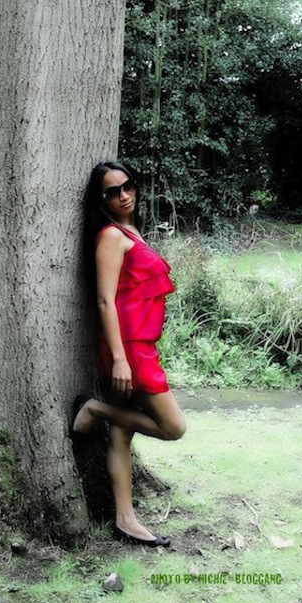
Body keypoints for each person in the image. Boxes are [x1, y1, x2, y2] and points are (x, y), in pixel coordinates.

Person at [72, 161, 186, 547]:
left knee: (123, 431)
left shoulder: (131, 230)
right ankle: (94, 410)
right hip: (129, 352)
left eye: (128, 186)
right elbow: (105, 301)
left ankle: (125, 520)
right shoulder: (110, 236)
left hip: (140, 346)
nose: (124, 196)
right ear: (101, 199)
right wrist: (120, 359)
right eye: (112, 192)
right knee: (173, 427)